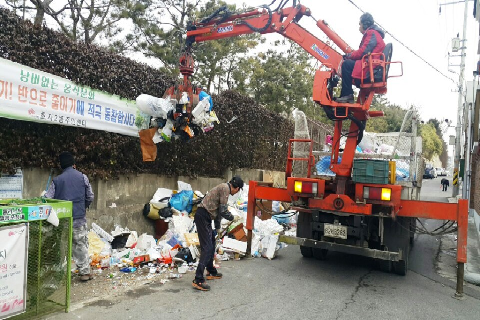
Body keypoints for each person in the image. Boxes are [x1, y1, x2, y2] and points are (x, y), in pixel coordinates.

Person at [45, 152, 95, 282]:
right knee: (81, 244)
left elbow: (47, 199)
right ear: (74, 165)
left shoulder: (57, 180)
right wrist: (83, 207)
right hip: (79, 218)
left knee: (62, 247)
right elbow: (90, 196)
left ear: (62, 166)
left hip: (62, 220)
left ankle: (60, 274)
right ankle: (85, 272)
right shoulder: (82, 177)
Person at [192, 176, 243, 291]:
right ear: (237, 188)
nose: (236, 193)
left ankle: (211, 270)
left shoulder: (224, 188)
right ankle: (198, 279)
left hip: (206, 216)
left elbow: (218, 211)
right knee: (207, 247)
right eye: (238, 190)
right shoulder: (225, 189)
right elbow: (223, 211)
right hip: (203, 216)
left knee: (212, 243)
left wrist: (218, 228)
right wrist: (232, 217)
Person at [337, 12, 386, 103]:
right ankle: (346, 95)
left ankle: (347, 95)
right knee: (349, 64)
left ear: (365, 24)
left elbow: (363, 51)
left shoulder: (372, 33)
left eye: (360, 24)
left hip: (369, 68)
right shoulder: (375, 34)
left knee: (346, 65)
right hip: (371, 66)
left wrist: (349, 56)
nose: (359, 26)